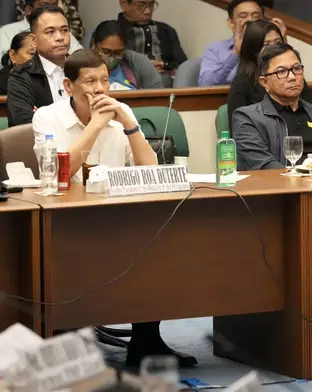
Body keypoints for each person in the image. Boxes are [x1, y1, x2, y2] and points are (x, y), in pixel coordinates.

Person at [31, 48, 197, 368]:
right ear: (68, 86)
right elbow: (60, 174)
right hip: (65, 222)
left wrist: (130, 125)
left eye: (105, 81)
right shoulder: (46, 117)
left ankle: (147, 340)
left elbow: (149, 169)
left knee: (160, 243)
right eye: (90, 81)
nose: (99, 89)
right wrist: (95, 125)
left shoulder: (119, 114)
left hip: (118, 218)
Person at [232, 42, 312, 370]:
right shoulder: (248, 117)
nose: (293, 77)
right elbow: (263, 168)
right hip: (279, 214)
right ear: (264, 81)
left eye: (297, 68)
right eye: (282, 71)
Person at [226, 18, 312, 129]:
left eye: (278, 43)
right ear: (253, 49)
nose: (274, 48)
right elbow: (238, 129)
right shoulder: (242, 82)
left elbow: (311, 116)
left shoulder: (294, 77)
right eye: (266, 45)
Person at [7, 5, 71, 126]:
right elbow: (24, 124)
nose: (60, 37)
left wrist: (43, 117)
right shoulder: (21, 76)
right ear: (33, 40)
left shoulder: (82, 68)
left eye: (64, 30)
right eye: (50, 32)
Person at [199, 0, 286, 86]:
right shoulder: (216, 49)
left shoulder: (269, 45)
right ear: (231, 23)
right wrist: (235, 53)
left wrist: (282, 44)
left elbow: (285, 77)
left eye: (256, 16)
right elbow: (206, 84)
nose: (250, 20)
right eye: (243, 16)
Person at [117, 0, 187, 87]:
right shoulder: (113, 31)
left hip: (164, 79)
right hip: (129, 82)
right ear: (124, 4)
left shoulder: (166, 30)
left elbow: (183, 64)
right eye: (141, 5)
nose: (148, 11)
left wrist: (164, 64)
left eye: (151, 4)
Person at [91, 20, 163, 90]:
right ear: (94, 46)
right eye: (106, 51)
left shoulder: (137, 61)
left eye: (118, 52)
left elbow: (158, 96)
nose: (112, 57)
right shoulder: (83, 64)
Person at [0, 0, 82, 60]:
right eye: (44, 5)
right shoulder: (6, 31)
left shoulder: (61, 30)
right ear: (28, 10)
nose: (50, 9)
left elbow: (80, 57)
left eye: (54, 4)